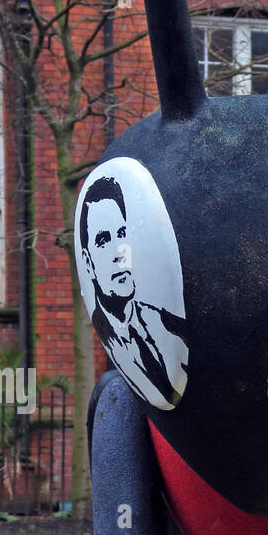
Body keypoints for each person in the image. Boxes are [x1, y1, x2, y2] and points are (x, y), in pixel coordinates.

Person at [79, 175, 190, 410]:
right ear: (87, 262)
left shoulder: (169, 325)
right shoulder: (110, 335)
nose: (119, 253)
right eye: (103, 241)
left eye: (121, 234)